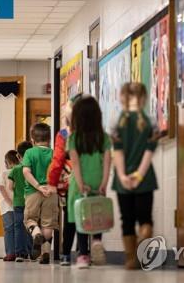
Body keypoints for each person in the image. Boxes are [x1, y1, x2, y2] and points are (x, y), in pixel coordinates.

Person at [112, 83, 159, 270]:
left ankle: (131, 259)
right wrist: (139, 175)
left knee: (127, 219)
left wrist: (123, 176)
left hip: (122, 179)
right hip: (145, 178)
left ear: (122, 98)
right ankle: (143, 242)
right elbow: (149, 151)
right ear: (144, 98)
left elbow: (118, 152)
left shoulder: (117, 122)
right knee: (145, 218)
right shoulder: (151, 121)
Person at [66, 96, 111, 269]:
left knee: (81, 216)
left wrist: (80, 183)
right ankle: (97, 241)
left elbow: (75, 163)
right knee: (97, 213)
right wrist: (104, 183)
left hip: (80, 183)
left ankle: (83, 254)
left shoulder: (74, 138)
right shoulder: (103, 137)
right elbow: (107, 161)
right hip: (98, 179)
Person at [46, 96, 77, 266]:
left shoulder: (64, 134)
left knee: (69, 217)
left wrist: (52, 182)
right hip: (87, 180)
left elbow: (57, 161)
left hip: (68, 182)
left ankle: (66, 254)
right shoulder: (90, 133)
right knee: (86, 215)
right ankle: (84, 254)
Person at [22, 123, 57, 265]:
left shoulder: (29, 153)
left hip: (33, 192)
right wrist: (50, 187)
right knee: (48, 223)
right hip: (51, 192)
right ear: (49, 139)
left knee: (30, 219)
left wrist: (37, 186)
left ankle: (36, 234)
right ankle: (46, 253)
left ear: (32, 139)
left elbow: (26, 171)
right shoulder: (54, 153)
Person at [7, 141, 33, 262]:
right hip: (32, 202)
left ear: (18, 156)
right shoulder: (33, 169)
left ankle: (20, 254)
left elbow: (9, 187)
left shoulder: (15, 169)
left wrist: (15, 196)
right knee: (32, 226)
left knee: (18, 227)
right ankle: (32, 252)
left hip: (18, 203)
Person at [0, 150, 17, 262]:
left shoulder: (4, 173)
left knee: (10, 229)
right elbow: (2, 188)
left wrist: (9, 201)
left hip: (8, 206)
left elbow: (1, 188)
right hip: (13, 205)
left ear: (7, 162)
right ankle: (17, 252)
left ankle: (11, 253)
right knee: (17, 229)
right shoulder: (20, 171)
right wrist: (10, 201)